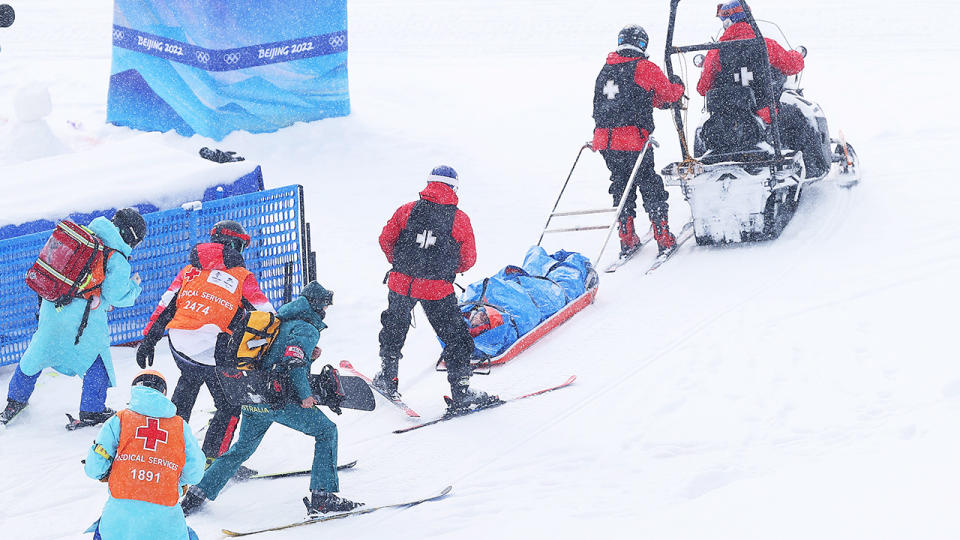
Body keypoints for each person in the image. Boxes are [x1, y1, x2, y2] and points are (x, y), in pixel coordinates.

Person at [180, 281, 363, 516]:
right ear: (318, 307)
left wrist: (311, 357)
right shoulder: (307, 328)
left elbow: (276, 358)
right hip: (278, 400)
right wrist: (306, 396)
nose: (326, 311)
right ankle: (323, 498)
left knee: (241, 448)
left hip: (253, 395)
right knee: (327, 431)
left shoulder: (278, 322)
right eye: (325, 306)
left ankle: (198, 493)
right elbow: (293, 363)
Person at [136, 220, 274, 470]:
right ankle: (214, 461)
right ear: (234, 244)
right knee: (229, 404)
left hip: (179, 346)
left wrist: (149, 339)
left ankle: (169, 454)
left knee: (187, 386)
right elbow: (266, 314)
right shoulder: (243, 276)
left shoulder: (189, 270)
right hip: (214, 353)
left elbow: (166, 306)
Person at [1, 208, 146, 427]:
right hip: (82, 321)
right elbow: (116, 295)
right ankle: (92, 411)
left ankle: (15, 401)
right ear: (131, 235)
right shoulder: (116, 257)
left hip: (52, 306)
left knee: (36, 354)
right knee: (97, 361)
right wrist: (134, 287)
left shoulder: (84, 236)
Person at [372, 166, 495, 410]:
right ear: (454, 188)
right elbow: (468, 258)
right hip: (436, 288)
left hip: (401, 283)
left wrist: (400, 264)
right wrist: (446, 268)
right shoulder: (459, 219)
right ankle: (461, 390)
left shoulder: (406, 210)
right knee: (455, 337)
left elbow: (385, 239)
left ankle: (388, 377)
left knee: (394, 327)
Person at [696, 1, 827, 177]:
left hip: (727, 119)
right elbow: (792, 66)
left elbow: (703, 88)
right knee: (802, 117)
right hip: (763, 113)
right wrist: (797, 55)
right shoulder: (765, 45)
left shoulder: (716, 52)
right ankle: (814, 169)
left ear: (728, 22)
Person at [593, 25, 686, 256]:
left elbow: (631, 99)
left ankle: (626, 236)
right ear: (642, 44)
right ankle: (663, 237)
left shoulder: (606, 70)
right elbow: (667, 95)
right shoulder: (643, 67)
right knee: (649, 182)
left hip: (605, 140)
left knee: (621, 184)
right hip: (633, 140)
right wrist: (678, 85)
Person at [83, 370, 205, 540]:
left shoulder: (120, 419)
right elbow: (195, 472)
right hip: (165, 524)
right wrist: (172, 481)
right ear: (163, 393)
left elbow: (94, 468)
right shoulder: (180, 426)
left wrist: (109, 472)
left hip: (119, 524)